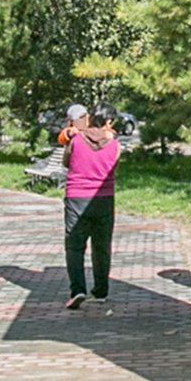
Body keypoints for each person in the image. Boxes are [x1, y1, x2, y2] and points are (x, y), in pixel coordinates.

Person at [61, 102, 120, 310]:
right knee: (101, 246)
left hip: (76, 197)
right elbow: (114, 165)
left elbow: (66, 162)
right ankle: (101, 291)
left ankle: (77, 290)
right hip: (104, 198)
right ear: (109, 121)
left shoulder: (76, 139)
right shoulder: (115, 144)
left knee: (75, 246)